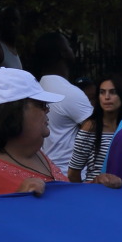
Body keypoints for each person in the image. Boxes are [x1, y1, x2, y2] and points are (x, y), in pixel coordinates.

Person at [0, 69, 122, 197]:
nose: (48, 110)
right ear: (12, 112)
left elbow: (60, 195)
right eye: (41, 104)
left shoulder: (26, 148)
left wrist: (93, 188)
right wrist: (18, 204)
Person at [27, 33, 94, 172]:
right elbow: (97, 131)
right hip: (73, 176)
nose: (71, 49)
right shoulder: (69, 93)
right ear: (62, 53)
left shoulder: (37, 88)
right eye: (68, 46)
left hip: (48, 171)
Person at [69, 75, 122, 182]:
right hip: (96, 189)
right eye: (102, 92)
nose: (107, 97)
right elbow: (73, 173)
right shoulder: (91, 127)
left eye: (113, 92)